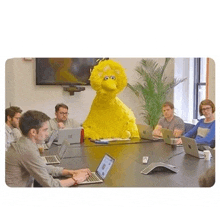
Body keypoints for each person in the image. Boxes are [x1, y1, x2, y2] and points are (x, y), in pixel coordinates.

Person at [5, 110, 91, 187]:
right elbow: (51, 185)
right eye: (45, 130)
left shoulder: (25, 143)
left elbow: (41, 167)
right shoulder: (27, 150)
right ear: (33, 132)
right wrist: (76, 179)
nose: (47, 134)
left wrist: (71, 172)